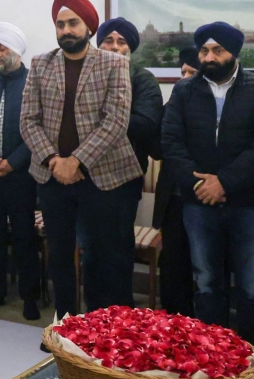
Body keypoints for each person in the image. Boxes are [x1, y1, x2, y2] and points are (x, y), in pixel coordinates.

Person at [19, 0, 142, 321]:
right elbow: (28, 120)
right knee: (59, 255)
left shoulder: (113, 63)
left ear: (88, 26)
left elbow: (116, 119)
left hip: (102, 176)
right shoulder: (41, 64)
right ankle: (65, 325)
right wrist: (54, 160)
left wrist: (77, 161)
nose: (66, 30)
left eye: (73, 23)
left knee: (103, 257)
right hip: (51, 176)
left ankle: (105, 330)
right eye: (60, 24)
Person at [162, 22, 254, 341]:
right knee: (206, 282)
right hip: (198, 203)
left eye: (218, 50)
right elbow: (171, 140)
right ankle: (213, 353)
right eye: (204, 50)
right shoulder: (185, 90)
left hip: (247, 203)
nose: (209, 57)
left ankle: (249, 358)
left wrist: (224, 182)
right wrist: (201, 185)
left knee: (251, 284)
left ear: (234, 53)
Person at [0, 22, 41, 321]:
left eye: (3, 48)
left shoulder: (34, 82)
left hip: (21, 176)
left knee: (25, 237)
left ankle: (30, 296)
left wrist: (13, 162)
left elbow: (37, 130)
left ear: (17, 50)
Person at [151, 46, 202, 316]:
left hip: (206, 199)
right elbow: (158, 148)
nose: (184, 77)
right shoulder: (172, 104)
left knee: (206, 268)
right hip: (173, 198)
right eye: (182, 72)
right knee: (172, 264)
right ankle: (173, 322)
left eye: (192, 72)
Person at [96, 17, 163, 173]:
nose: (114, 47)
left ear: (129, 48)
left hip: (125, 171)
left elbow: (146, 124)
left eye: (121, 42)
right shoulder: (85, 76)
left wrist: (95, 118)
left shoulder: (143, 79)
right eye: (108, 41)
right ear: (99, 46)